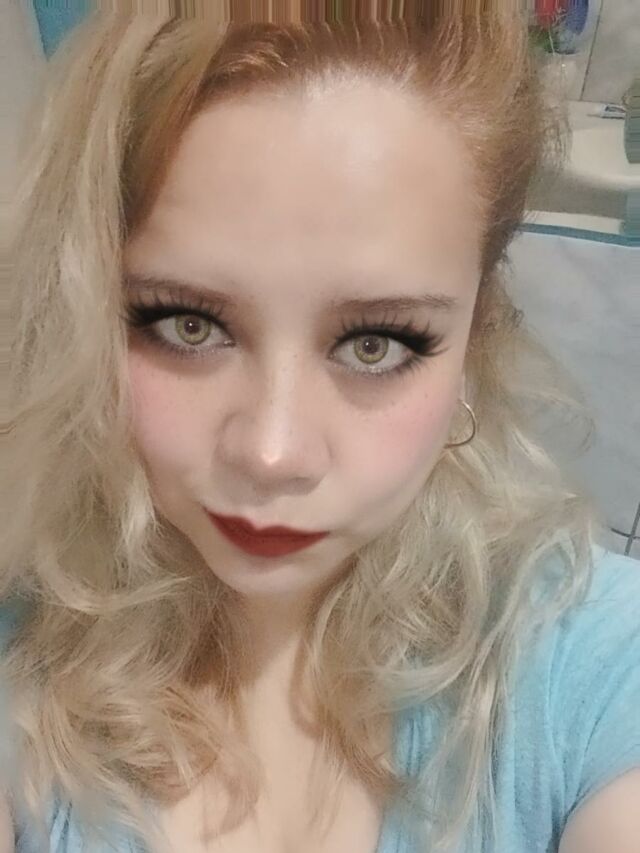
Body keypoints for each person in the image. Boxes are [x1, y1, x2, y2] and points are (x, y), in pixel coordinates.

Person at [2, 4, 639, 853]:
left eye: (376, 343)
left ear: (476, 334)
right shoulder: (22, 670)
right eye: (188, 324)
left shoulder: (591, 661)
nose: (273, 453)